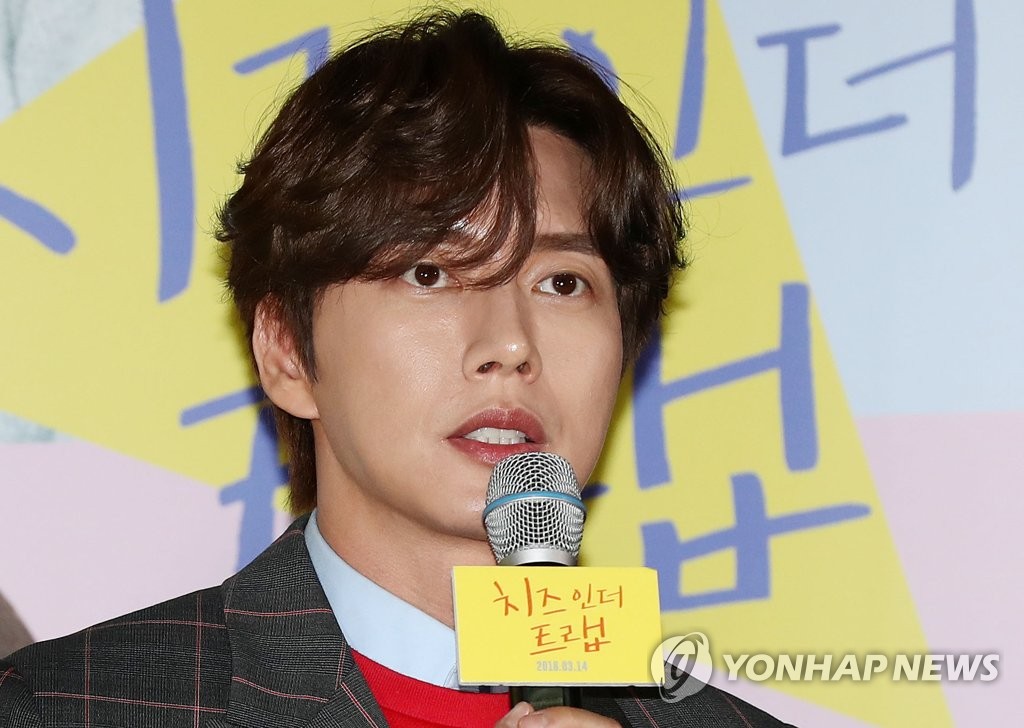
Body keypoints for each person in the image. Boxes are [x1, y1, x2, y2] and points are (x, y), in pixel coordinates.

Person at [1, 10, 791, 727]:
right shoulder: (67, 709)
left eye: (561, 283)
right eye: (429, 272)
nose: (510, 344)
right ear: (287, 352)